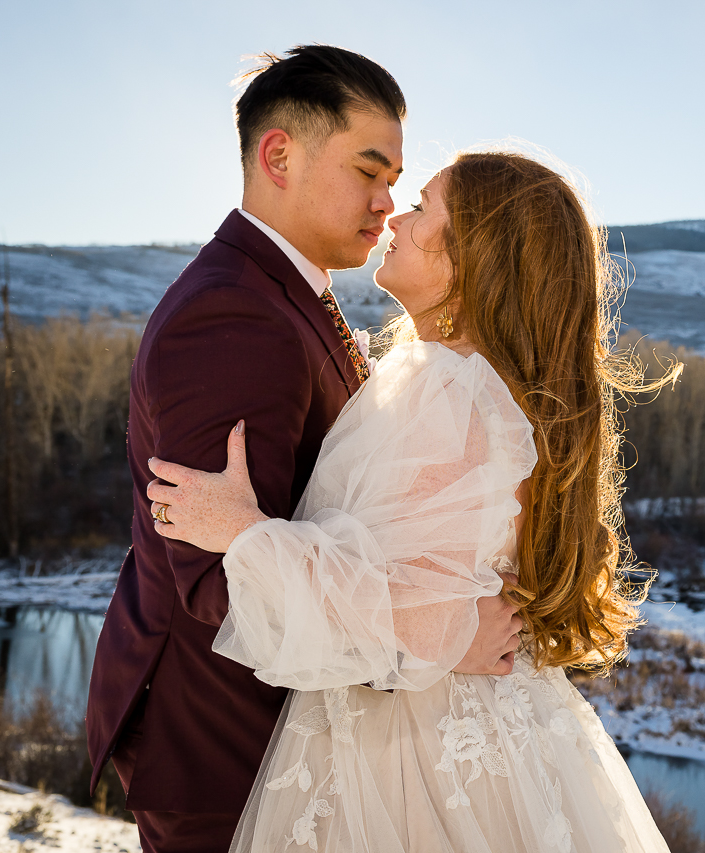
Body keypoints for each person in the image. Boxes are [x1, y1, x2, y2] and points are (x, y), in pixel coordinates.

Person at [144, 151, 676, 851]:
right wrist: (458, 624)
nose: (397, 214)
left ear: (475, 258)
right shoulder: (490, 386)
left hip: (413, 757)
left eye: (424, 207)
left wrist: (243, 531)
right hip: (482, 732)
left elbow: (394, 607)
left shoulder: (451, 391)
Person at [85, 46, 524, 853]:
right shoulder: (233, 316)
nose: (388, 203)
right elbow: (219, 580)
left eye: (398, 180)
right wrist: (441, 635)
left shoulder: (289, 297)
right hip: (230, 751)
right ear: (278, 154)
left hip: (294, 750)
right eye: (369, 170)